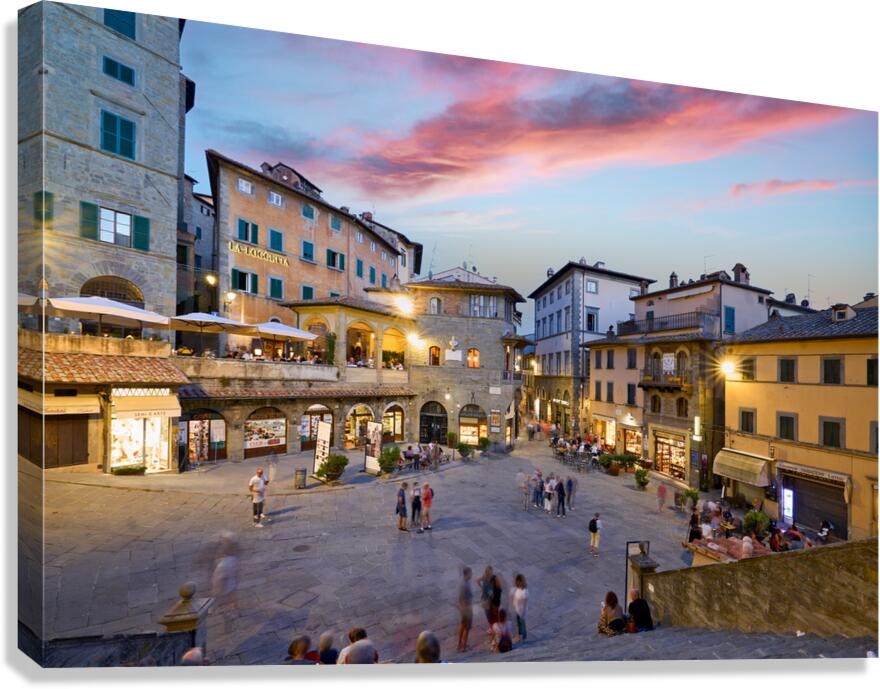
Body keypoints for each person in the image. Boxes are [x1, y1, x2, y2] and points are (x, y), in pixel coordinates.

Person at [457, 567, 474, 652]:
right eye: (470, 573)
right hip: (467, 609)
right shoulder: (465, 585)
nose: (471, 574)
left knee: (463, 625)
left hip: (463, 609)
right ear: (467, 574)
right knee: (467, 627)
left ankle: (460, 643)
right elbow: (462, 598)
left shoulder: (464, 583)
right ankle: (463, 646)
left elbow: (460, 598)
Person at [477, 566, 496, 631]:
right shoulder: (490, 582)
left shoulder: (484, 576)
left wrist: (481, 587)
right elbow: (491, 594)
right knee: (489, 614)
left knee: (489, 615)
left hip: (484, 599)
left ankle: (492, 627)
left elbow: (477, 579)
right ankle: (492, 628)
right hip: (488, 601)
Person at [511, 573, 528, 642]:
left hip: (521, 611)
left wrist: (522, 611)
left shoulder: (524, 591)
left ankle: (523, 636)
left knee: (522, 624)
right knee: (519, 623)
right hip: (518, 610)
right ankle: (521, 635)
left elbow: (524, 602)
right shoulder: (518, 589)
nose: (516, 583)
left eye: (518, 581)